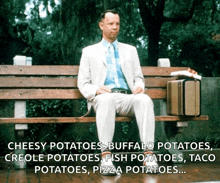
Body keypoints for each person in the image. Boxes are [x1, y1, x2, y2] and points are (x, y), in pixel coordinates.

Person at [78, 9, 158, 175]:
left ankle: (148, 155)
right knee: (106, 99)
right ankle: (106, 158)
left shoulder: (130, 50)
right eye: (110, 24)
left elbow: (138, 77)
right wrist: (96, 89)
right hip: (102, 98)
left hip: (126, 97)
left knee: (144, 100)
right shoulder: (89, 51)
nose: (115, 27)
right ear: (102, 25)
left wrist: (140, 86)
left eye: (117, 24)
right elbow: (83, 83)